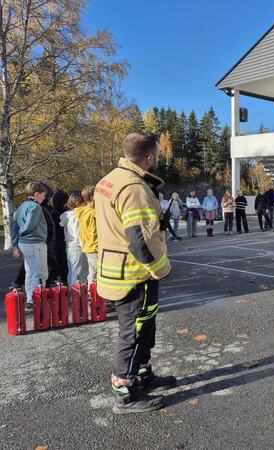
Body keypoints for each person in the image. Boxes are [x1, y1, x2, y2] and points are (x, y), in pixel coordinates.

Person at [95, 132, 174, 414]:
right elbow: (140, 239)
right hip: (134, 275)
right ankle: (124, 392)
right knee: (134, 332)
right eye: (157, 157)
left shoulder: (109, 180)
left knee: (145, 326)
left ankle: (142, 375)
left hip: (117, 268)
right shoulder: (133, 187)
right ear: (149, 157)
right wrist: (161, 269)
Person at [11, 182, 49, 309]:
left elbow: (14, 227)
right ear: (37, 194)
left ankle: (30, 298)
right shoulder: (35, 207)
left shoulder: (20, 207)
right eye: (43, 195)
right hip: (35, 242)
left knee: (30, 272)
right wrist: (24, 232)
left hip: (24, 244)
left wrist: (15, 245)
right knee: (40, 273)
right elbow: (28, 225)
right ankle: (35, 300)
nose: (44, 198)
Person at [60, 192, 88, 289]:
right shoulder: (76, 217)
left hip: (70, 246)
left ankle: (73, 295)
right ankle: (78, 297)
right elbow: (78, 234)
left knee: (72, 272)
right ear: (78, 203)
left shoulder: (67, 216)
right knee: (79, 274)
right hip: (78, 247)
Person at [75, 186, 98, 286]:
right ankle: (94, 296)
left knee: (92, 272)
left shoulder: (83, 212)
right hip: (95, 247)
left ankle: (91, 295)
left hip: (88, 246)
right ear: (92, 197)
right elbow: (95, 232)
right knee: (97, 274)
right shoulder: (94, 213)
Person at [51, 191, 69, 284]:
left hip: (55, 243)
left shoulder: (53, 212)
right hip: (60, 243)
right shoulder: (61, 214)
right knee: (63, 267)